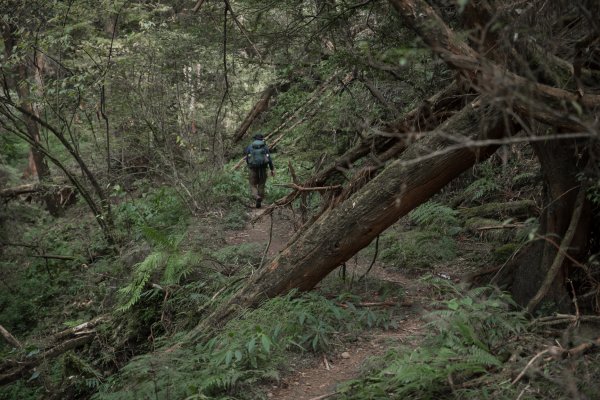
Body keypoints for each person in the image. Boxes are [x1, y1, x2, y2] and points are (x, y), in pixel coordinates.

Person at [245, 133, 275, 208]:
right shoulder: (265, 146)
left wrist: (249, 165)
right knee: (261, 184)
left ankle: (256, 196)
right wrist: (272, 169)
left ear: (255, 139)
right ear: (262, 139)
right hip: (263, 167)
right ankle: (259, 200)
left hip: (253, 168)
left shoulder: (250, 146)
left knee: (252, 184)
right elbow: (269, 159)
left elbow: (247, 158)